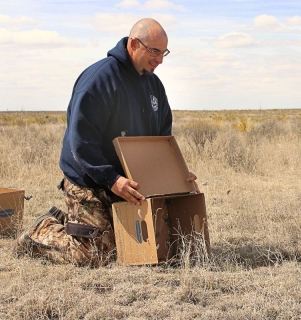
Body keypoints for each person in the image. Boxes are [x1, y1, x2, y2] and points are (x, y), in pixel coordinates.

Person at [13, 18, 198, 267]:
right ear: (134, 44)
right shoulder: (99, 80)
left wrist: (176, 175)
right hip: (90, 179)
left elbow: (160, 143)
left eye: (163, 52)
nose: (160, 60)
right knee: (95, 255)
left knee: (150, 243)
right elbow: (81, 143)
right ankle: (43, 228)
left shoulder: (155, 86)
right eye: (154, 51)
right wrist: (111, 180)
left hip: (130, 183)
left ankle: (80, 224)